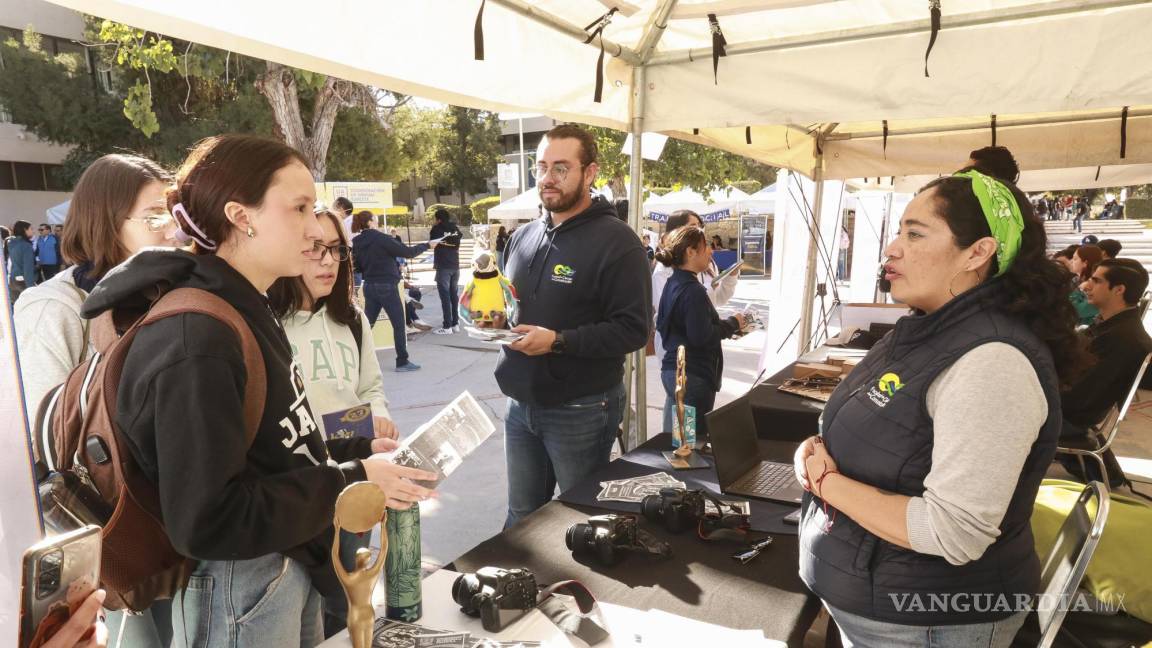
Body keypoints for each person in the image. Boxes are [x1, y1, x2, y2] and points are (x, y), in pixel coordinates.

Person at [86, 134, 436, 647]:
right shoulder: (197, 336)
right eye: (298, 208)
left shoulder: (245, 304)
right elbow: (208, 518)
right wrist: (352, 479)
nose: (316, 228)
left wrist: (356, 452)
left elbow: (266, 447)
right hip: (243, 590)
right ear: (240, 216)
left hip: (280, 570)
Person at [794, 169, 1088, 646]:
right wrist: (816, 450)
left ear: (978, 252)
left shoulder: (992, 361)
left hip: (926, 622)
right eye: (898, 232)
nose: (892, 247)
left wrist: (825, 481)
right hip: (880, 602)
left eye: (914, 233)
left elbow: (954, 531)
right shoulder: (925, 329)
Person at [496, 124, 650, 527]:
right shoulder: (522, 237)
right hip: (519, 404)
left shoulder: (619, 242)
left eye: (561, 168)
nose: (547, 178)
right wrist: (493, 319)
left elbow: (634, 329)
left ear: (591, 172)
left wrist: (558, 342)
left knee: (584, 521)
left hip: (581, 408)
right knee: (521, 517)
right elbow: (511, 305)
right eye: (541, 167)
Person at [267, 205, 398, 636]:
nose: (327, 261)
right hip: (297, 492)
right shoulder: (268, 326)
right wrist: (348, 431)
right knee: (306, 621)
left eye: (336, 250)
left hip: (354, 485)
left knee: (348, 609)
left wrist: (376, 420)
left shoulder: (353, 319)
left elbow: (370, 390)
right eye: (314, 249)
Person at [14, 154, 178, 424]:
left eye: (174, 217)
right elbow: (42, 430)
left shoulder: (169, 293)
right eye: (155, 218)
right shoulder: (53, 309)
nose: (173, 232)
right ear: (107, 222)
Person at [1059, 258, 1152, 484]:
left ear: (1119, 290)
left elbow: (1079, 401)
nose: (1085, 286)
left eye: (1096, 280)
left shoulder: (1125, 340)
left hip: (1067, 417)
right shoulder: (1114, 327)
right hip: (1067, 410)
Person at [655, 225, 746, 443]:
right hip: (692, 375)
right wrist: (733, 323)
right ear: (690, 252)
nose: (711, 251)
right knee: (690, 444)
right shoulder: (691, 290)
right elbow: (700, 336)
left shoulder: (673, 283)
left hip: (677, 371)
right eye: (706, 246)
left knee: (684, 440)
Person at [352, 210, 435, 371]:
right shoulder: (382, 238)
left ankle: (356, 360)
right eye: (375, 219)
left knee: (367, 325)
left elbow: (358, 267)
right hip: (387, 286)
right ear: (370, 222)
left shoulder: (357, 241)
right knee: (398, 325)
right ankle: (402, 361)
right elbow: (408, 253)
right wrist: (427, 245)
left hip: (369, 286)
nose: (377, 222)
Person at [429, 207, 462, 335]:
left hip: (443, 266)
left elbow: (432, 244)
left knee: (445, 297)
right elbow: (457, 243)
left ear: (438, 219)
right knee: (454, 295)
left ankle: (447, 326)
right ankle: (455, 324)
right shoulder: (455, 229)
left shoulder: (436, 229)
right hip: (455, 265)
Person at [1070, 244, 1104, 325]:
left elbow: (1075, 311)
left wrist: (1079, 290)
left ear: (1085, 263)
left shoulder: (1096, 285)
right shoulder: (1076, 280)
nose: (1071, 261)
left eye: (1075, 259)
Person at [6, 220, 37, 301]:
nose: (33, 231)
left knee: (16, 310)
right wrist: (31, 288)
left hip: (13, 281)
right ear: (24, 230)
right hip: (23, 282)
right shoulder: (26, 246)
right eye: (31, 229)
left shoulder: (11, 243)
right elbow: (28, 268)